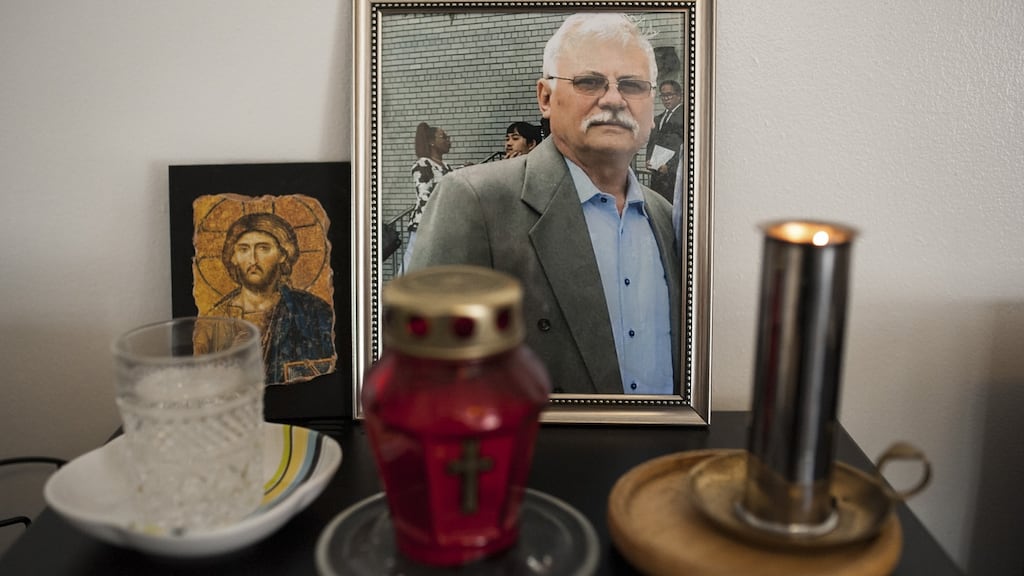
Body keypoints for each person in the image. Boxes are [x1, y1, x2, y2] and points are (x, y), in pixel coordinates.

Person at [409, 13, 681, 395]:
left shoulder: (667, 218)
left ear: (652, 107)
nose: (614, 99)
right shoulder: (476, 202)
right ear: (545, 98)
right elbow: (426, 381)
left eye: (633, 85)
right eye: (590, 81)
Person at [206, 212, 336, 385]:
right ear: (233, 257)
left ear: (283, 254)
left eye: (263, 248)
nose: (253, 259)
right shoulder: (213, 321)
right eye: (243, 249)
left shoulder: (314, 312)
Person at [403, 122, 453, 271]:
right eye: (444, 137)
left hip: (440, 224)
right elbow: (424, 196)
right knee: (413, 264)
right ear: (432, 142)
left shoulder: (446, 166)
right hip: (424, 224)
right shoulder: (423, 164)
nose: (448, 140)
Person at [645, 80, 685, 203]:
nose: (666, 99)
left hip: (673, 176)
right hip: (657, 175)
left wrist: (670, 166)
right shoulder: (658, 119)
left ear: (679, 95)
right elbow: (651, 142)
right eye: (663, 95)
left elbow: (686, 146)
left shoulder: (686, 116)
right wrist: (649, 159)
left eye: (669, 95)